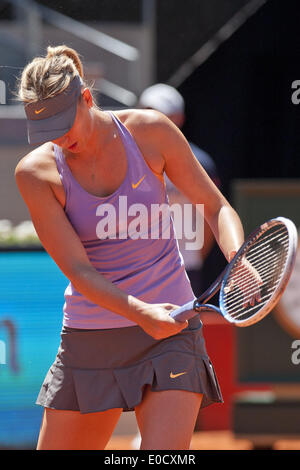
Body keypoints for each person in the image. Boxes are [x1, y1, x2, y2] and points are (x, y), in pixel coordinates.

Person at [15, 45, 245, 450]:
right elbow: (79, 271)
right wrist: (139, 312)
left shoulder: (151, 132)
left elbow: (215, 207)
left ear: (86, 98)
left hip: (171, 332)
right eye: (46, 131)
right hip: (91, 338)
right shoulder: (36, 173)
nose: (58, 140)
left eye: (63, 125)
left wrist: (239, 260)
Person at [139, 83, 221, 297]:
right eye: (146, 112)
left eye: (159, 114)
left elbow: (211, 216)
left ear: (178, 119)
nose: (151, 120)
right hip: (138, 269)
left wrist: (193, 257)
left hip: (185, 267)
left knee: (181, 330)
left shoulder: (201, 162)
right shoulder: (127, 159)